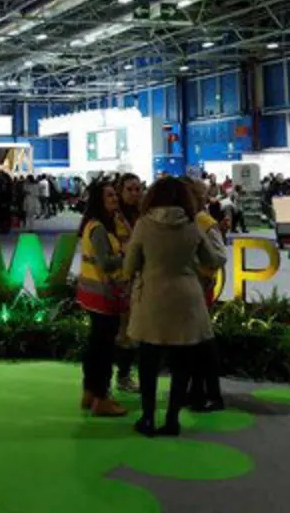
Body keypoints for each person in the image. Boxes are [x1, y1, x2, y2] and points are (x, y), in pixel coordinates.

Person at [123, 176, 227, 437]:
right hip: (187, 300)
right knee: (182, 365)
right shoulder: (192, 225)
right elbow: (213, 259)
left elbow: (129, 266)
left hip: (152, 300)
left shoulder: (144, 225)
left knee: (148, 364)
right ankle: (172, 421)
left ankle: (147, 418)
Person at [76, 181, 131, 418]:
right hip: (104, 297)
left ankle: (91, 392)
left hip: (95, 296)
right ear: (99, 200)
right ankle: (102, 398)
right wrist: (126, 255)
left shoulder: (101, 225)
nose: (114, 199)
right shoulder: (98, 229)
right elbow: (106, 263)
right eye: (109, 195)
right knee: (104, 350)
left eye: (114, 195)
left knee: (96, 346)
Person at [188, 178, 229, 412]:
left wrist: (198, 267)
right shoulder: (193, 220)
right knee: (195, 341)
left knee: (202, 340)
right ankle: (198, 390)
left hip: (201, 286)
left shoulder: (203, 221)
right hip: (193, 286)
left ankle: (209, 393)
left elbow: (220, 255)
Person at [113, 172, 143, 393]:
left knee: (134, 331)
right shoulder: (113, 217)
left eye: (138, 189)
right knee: (123, 332)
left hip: (140, 280)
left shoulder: (144, 215)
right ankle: (122, 376)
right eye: (129, 189)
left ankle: (126, 374)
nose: (134, 193)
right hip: (119, 282)